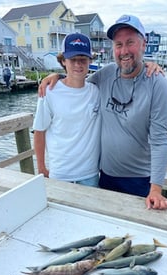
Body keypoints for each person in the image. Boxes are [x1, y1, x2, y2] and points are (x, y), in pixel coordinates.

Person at [38, 14, 167, 210]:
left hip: (140, 179)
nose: (124, 50)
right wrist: (56, 76)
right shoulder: (106, 74)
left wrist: (156, 189)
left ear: (144, 44)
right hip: (105, 176)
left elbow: (161, 140)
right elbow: (77, 83)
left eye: (130, 43)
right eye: (118, 45)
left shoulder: (158, 83)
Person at [33, 33, 101, 187]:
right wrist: (42, 167)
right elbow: (39, 131)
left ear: (90, 61)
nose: (78, 65)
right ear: (63, 61)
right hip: (60, 174)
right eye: (72, 59)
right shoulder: (49, 91)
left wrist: (149, 65)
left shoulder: (97, 91)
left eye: (83, 59)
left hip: (90, 174)